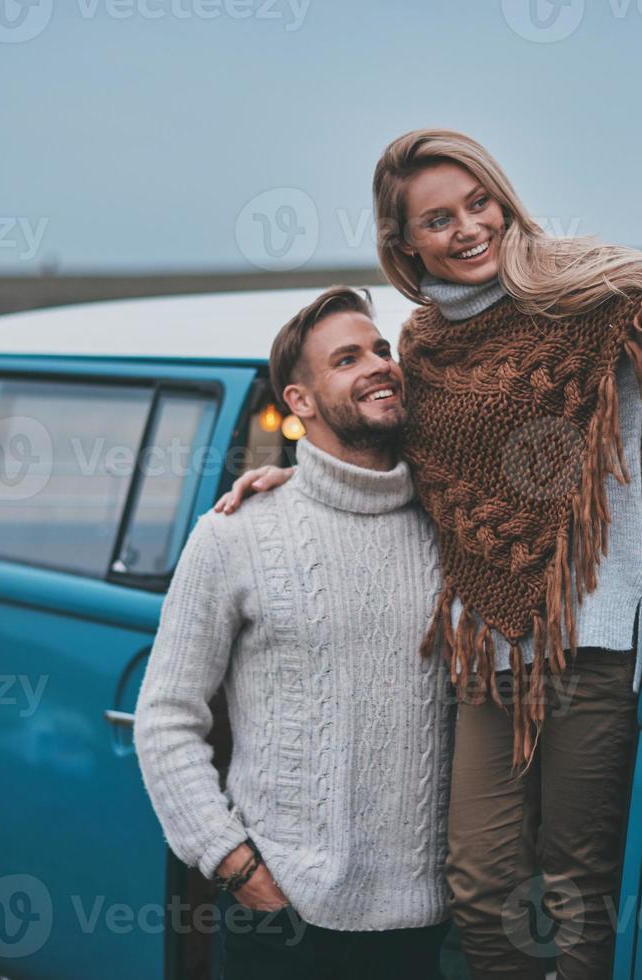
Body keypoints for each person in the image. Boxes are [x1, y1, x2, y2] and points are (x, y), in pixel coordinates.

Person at [215, 129, 642, 979]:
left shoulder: (587, 302)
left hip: (588, 645)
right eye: (437, 219)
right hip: (481, 653)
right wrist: (288, 481)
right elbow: (411, 468)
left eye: (478, 203)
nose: (467, 229)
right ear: (404, 243)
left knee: (575, 880)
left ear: (503, 199)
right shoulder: (419, 346)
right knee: (482, 885)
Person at [134, 285, 453, 980]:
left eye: (380, 349)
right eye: (345, 359)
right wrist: (229, 858)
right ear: (300, 400)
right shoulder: (235, 533)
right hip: (282, 921)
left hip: (429, 927)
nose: (376, 364)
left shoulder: (452, 526)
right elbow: (164, 716)